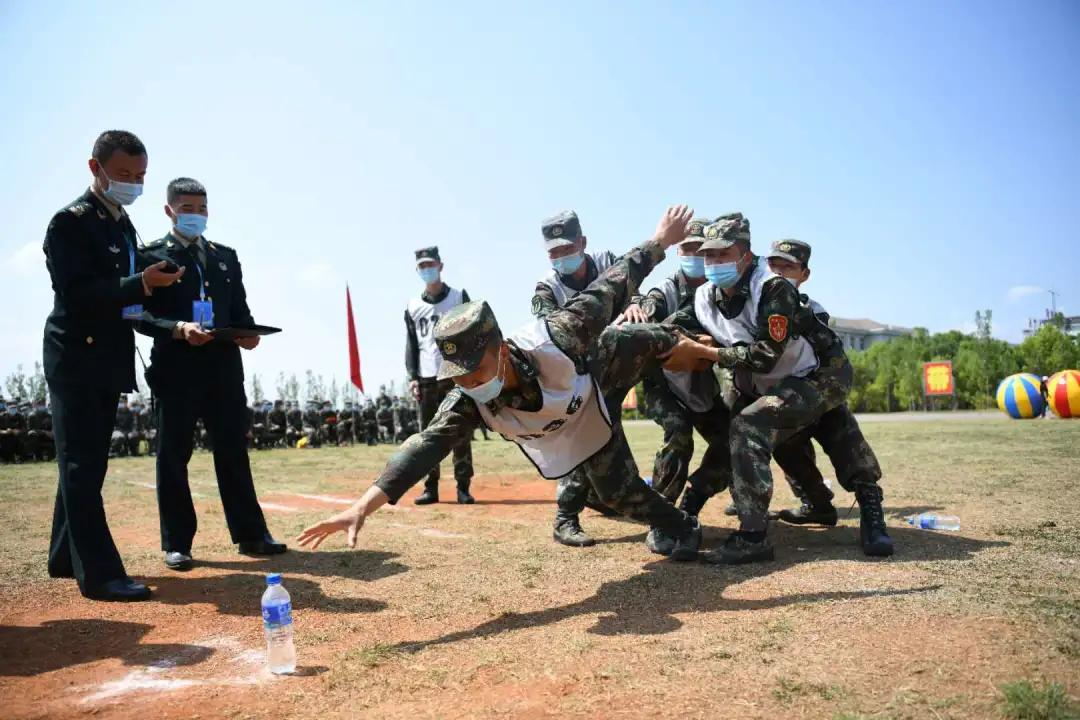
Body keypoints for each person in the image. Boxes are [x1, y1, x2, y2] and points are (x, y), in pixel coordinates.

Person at [296, 205, 705, 560]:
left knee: (675, 346)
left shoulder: (558, 333)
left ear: (502, 351)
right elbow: (424, 446)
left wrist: (660, 241)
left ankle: (698, 347)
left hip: (609, 365)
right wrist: (362, 507)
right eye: (460, 374)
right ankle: (681, 525)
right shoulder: (468, 398)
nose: (470, 381)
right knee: (617, 491)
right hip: (573, 412)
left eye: (476, 369)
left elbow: (612, 285)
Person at [44, 129, 183, 601]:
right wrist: (140, 284)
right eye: (124, 174)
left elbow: (125, 293)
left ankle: (65, 556)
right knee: (82, 465)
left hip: (106, 355)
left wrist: (157, 288)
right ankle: (101, 574)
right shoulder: (70, 223)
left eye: (140, 176)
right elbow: (78, 294)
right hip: (76, 355)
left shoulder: (121, 223)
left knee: (86, 461)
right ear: (95, 168)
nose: (133, 183)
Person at [138, 176, 285, 572]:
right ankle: (177, 544)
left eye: (201, 209)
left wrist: (249, 334)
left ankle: (251, 534)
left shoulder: (225, 256)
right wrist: (177, 328)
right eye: (187, 208)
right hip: (175, 370)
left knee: (233, 451)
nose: (196, 215)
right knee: (173, 456)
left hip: (223, 368)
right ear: (169, 210)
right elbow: (137, 315)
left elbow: (239, 309)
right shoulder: (150, 255)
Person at [668, 215, 826, 564]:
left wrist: (706, 352)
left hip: (812, 377)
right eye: (708, 255)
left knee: (752, 427)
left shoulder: (772, 288)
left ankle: (754, 536)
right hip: (758, 384)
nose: (713, 262)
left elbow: (766, 356)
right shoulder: (705, 295)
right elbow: (677, 325)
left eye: (723, 254)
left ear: (745, 255)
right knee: (732, 437)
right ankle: (686, 510)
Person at [757, 239, 892, 556]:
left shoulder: (813, 310)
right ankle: (817, 505)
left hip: (815, 394)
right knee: (785, 447)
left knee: (843, 430)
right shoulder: (752, 304)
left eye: (788, 267)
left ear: (804, 274)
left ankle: (871, 511)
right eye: (774, 265)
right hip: (778, 398)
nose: (778, 272)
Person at [617, 217, 733, 555]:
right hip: (662, 384)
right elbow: (646, 311)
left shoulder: (721, 293)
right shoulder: (667, 290)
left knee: (733, 441)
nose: (693, 255)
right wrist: (636, 306)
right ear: (678, 252)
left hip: (701, 385)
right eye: (687, 248)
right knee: (679, 432)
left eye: (700, 249)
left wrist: (705, 345)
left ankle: (691, 503)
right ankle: (662, 519)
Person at [530, 211, 627, 547]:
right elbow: (551, 334)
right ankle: (566, 517)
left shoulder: (608, 262)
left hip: (622, 360)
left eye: (567, 248)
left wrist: (637, 305)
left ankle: (608, 497)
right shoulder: (547, 288)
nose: (561, 256)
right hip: (580, 370)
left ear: (583, 242)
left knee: (610, 438)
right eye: (554, 252)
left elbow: (635, 290)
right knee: (585, 436)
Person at [405, 246, 475, 504]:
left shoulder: (458, 297)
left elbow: (472, 333)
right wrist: (412, 376)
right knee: (428, 435)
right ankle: (430, 487)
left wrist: (471, 369)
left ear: (440, 266)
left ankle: (463, 487)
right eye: (422, 266)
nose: (427, 269)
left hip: (455, 374)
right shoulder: (413, 306)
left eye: (430, 264)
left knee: (460, 430)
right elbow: (411, 344)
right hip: (426, 377)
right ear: (417, 270)